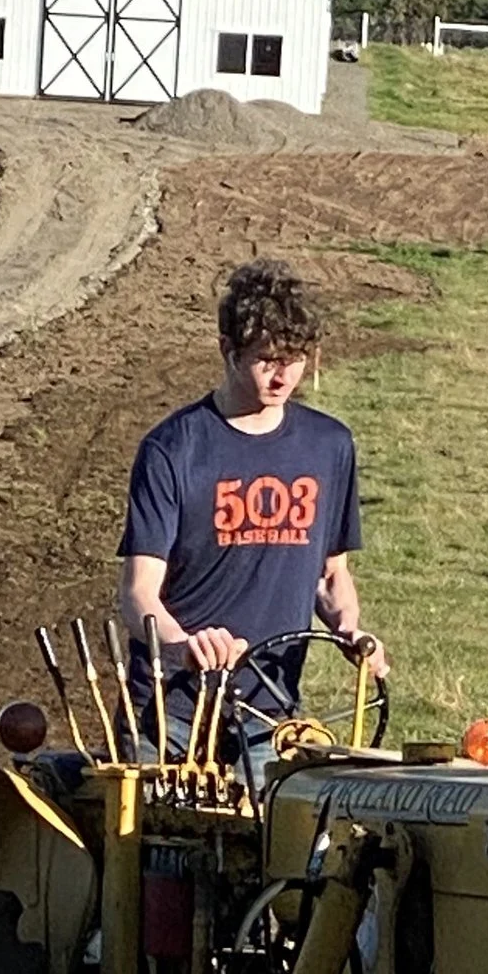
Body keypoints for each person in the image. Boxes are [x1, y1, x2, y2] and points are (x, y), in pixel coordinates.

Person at [117, 258, 383, 748]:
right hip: (166, 714)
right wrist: (184, 647)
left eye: (296, 359)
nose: (283, 377)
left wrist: (350, 632)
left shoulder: (329, 446)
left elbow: (330, 574)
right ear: (228, 350)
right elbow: (137, 596)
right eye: (266, 360)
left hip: (268, 717)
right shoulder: (172, 449)